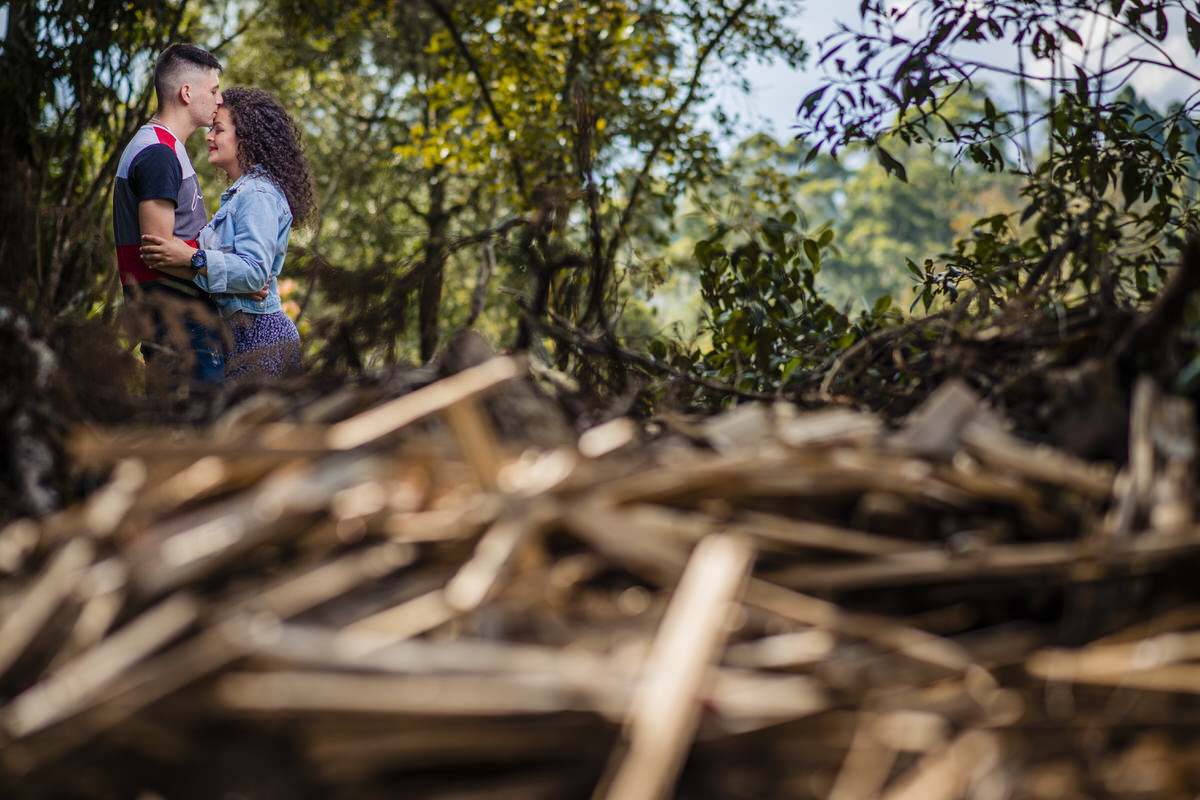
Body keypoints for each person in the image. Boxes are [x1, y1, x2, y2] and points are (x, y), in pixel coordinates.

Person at [140, 87, 315, 379]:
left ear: (246, 140)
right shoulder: (241, 194)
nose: (209, 137)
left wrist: (194, 258)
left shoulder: (257, 193)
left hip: (262, 337)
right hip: (242, 336)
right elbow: (247, 274)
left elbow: (254, 272)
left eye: (218, 130)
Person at [113, 43, 228, 387]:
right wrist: (226, 277)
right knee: (194, 432)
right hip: (177, 326)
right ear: (186, 93)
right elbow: (158, 253)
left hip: (181, 322)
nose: (219, 99)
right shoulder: (158, 153)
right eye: (214, 90)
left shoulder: (166, 148)